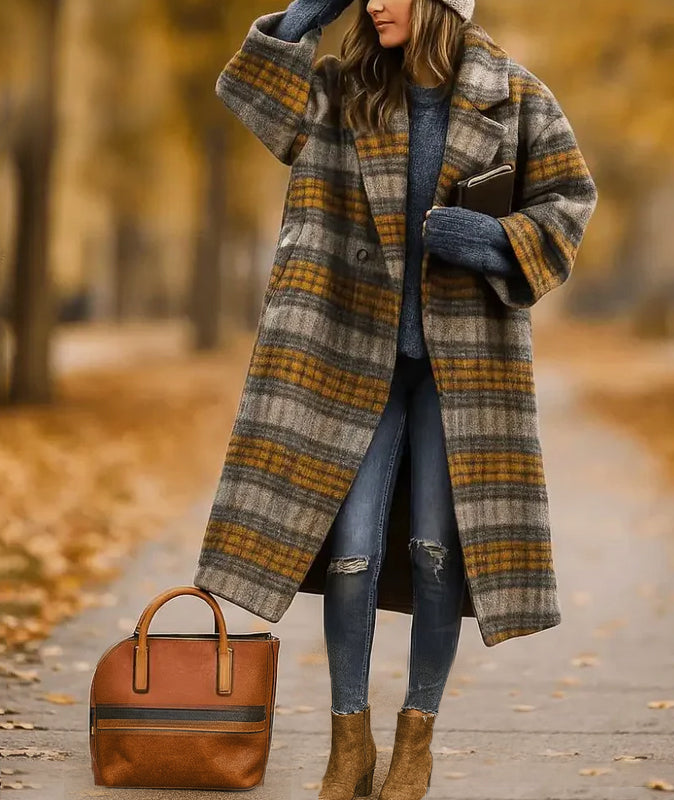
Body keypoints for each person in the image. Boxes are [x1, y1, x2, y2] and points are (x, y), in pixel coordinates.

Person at [195, 0, 598, 798]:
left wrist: (489, 240)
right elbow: (254, 98)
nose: (375, 1)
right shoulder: (342, 94)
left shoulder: (516, 95)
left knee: (439, 554)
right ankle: (351, 742)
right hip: (348, 360)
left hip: (465, 370)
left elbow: (569, 204)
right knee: (351, 553)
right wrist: (303, 17)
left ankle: (417, 737)